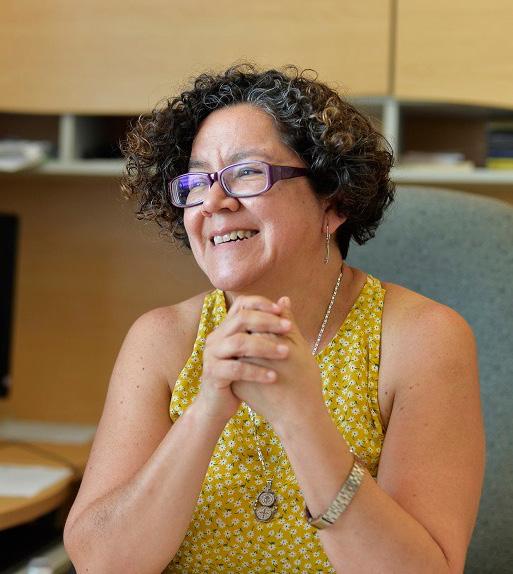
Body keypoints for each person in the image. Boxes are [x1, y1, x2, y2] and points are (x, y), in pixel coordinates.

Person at [63, 64, 485, 573]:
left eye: (246, 173)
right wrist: (206, 410)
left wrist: (301, 419)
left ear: (334, 201)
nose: (213, 202)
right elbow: (100, 564)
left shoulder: (422, 339)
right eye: (197, 181)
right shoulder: (162, 340)